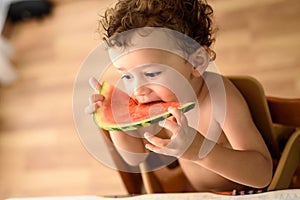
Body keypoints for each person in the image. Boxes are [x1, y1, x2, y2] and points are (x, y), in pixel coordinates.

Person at [85, 0, 273, 194]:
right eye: (127, 76)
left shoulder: (218, 97)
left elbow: (262, 173)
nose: (138, 89)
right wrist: (117, 122)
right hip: (196, 192)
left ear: (196, 62)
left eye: (151, 74)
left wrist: (201, 152)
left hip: (244, 192)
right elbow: (136, 157)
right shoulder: (157, 101)